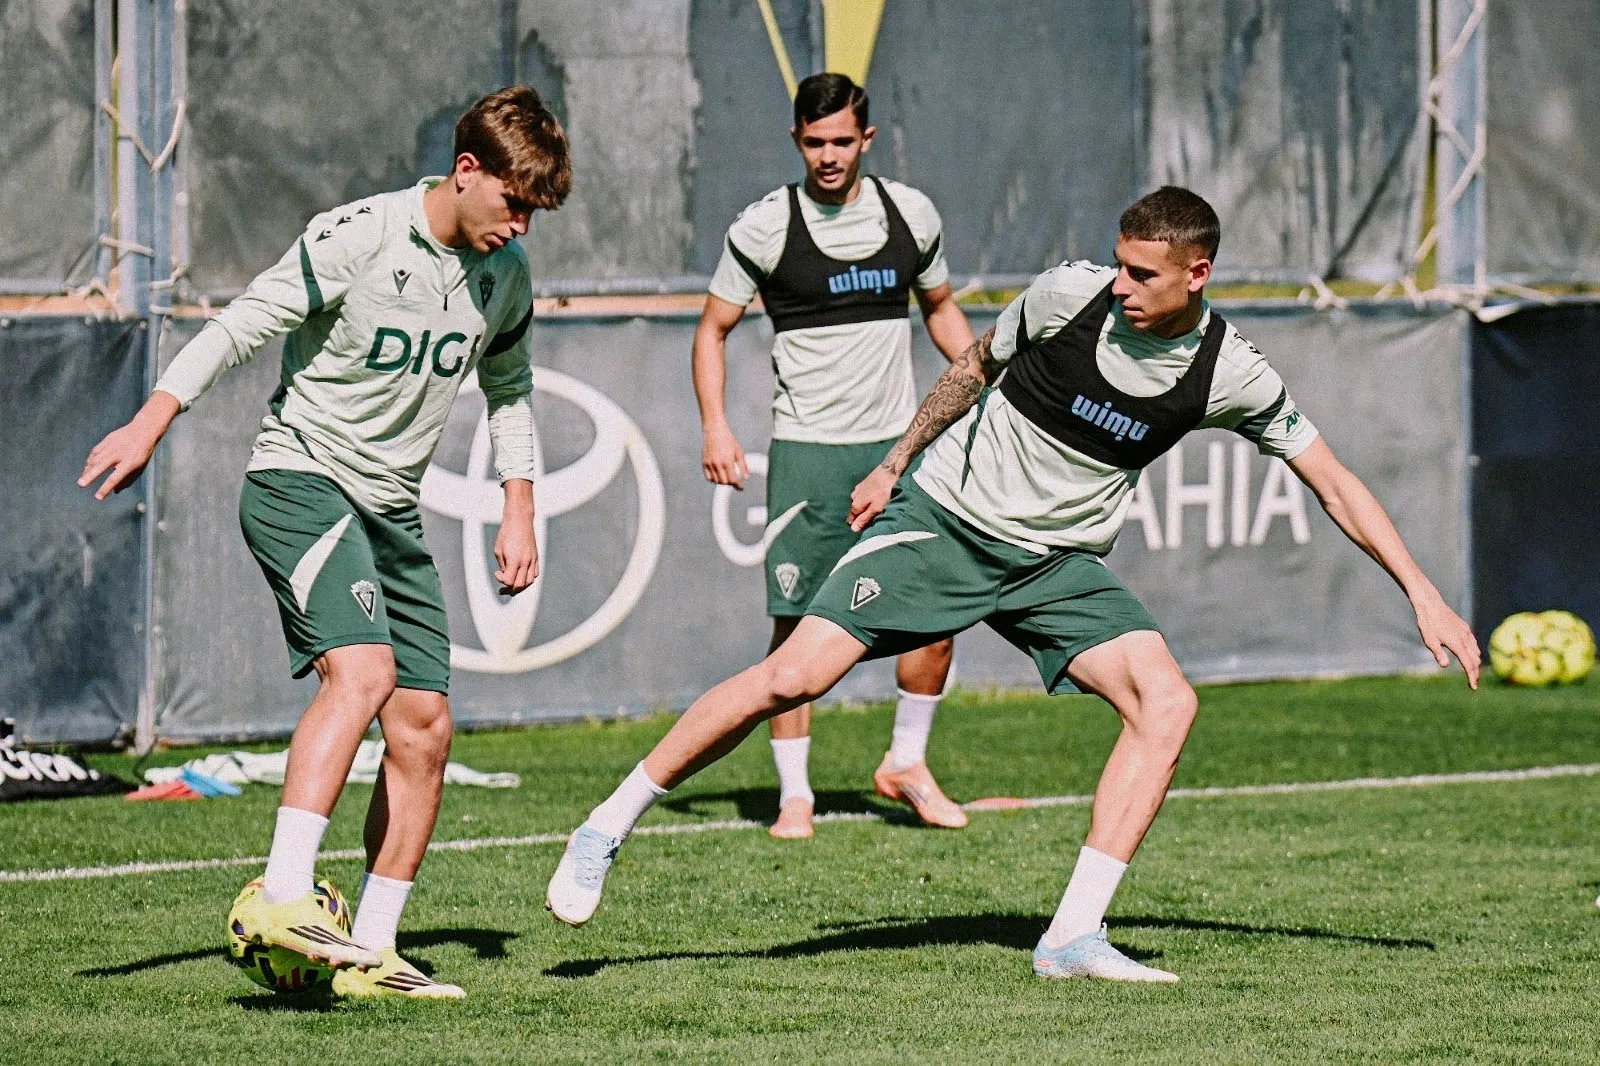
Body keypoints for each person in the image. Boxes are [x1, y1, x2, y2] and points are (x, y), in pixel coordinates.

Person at [546, 186, 1481, 982]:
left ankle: (1072, 934)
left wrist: (1421, 592)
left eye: (1144, 274)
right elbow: (970, 368)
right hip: (944, 523)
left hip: (1056, 565)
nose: (1122, 285)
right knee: (792, 677)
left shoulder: (1227, 370)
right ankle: (607, 825)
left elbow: (1334, 481)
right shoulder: (1067, 297)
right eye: (1119, 264)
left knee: (1167, 705)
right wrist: (894, 463)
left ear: (1197, 273)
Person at [80, 87, 570, 1000]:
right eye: (515, 202)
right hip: (301, 483)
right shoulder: (361, 235)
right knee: (365, 674)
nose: (523, 226)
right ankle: (284, 893)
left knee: (424, 729)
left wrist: (520, 506)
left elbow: (510, 391)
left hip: (391, 510)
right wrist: (153, 420)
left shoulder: (505, 277)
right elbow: (240, 325)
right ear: (467, 171)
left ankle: (374, 953)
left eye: (535, 211)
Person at [695, 72, 976, 839]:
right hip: (809, 458)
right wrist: (717, 427)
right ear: (796, 141)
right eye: (814, 142)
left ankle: (906, 764)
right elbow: (711, 329)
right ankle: (795, 797)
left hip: (899, 449)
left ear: (868, 140)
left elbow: (943, 313)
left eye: (842, 141)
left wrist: (985, 381)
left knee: (934, 615)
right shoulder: (762, 227)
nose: (828, 156)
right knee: (795, 626)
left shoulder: (910, 215)